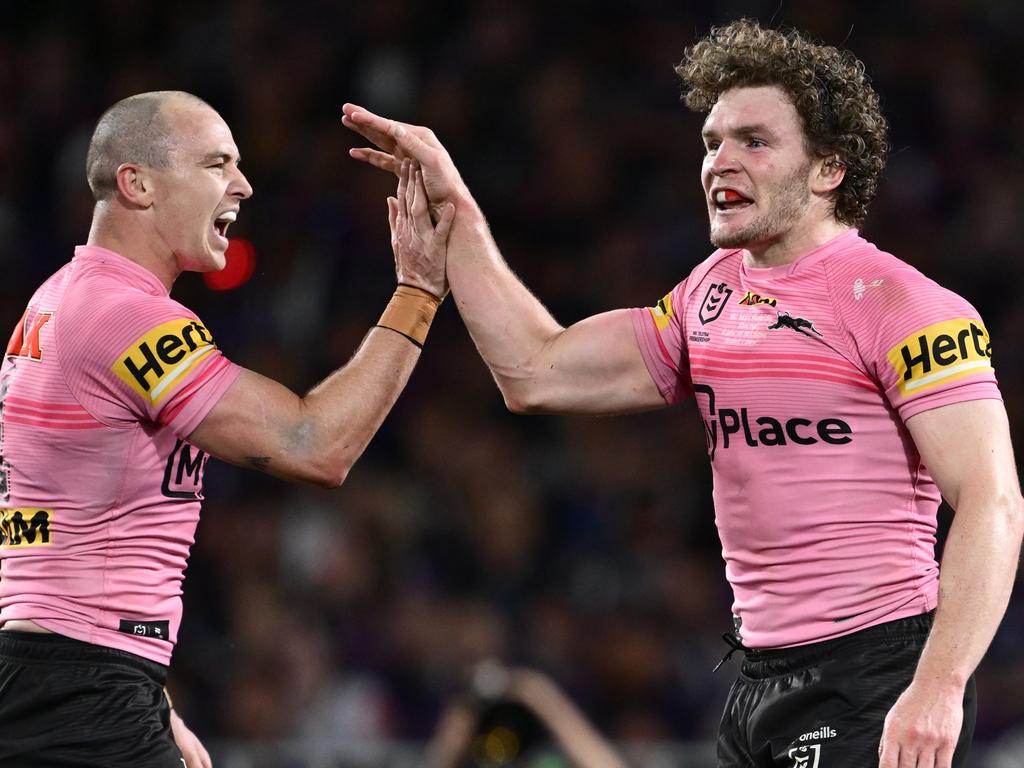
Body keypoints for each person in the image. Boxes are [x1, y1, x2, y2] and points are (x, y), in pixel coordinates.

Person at [342, 18, 1024, 768]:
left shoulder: (903, 305)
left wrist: (939, 686)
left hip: (877, 676)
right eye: (711, 142)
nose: (720, 162)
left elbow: (993, 501)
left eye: (754, 142)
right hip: (757, 684)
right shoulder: (710, 294)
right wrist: (458, 211)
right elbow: (537, 370)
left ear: (828, 170)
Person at [0, 91, 453, 768]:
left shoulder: (55, 300)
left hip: (62, 678)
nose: (242, 184)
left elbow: (43, 528)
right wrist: (419, 291)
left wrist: (149, 701)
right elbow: (316, 446)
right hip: (83, 697)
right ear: (138, 184)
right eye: (217, 164)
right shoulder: (130, 319)